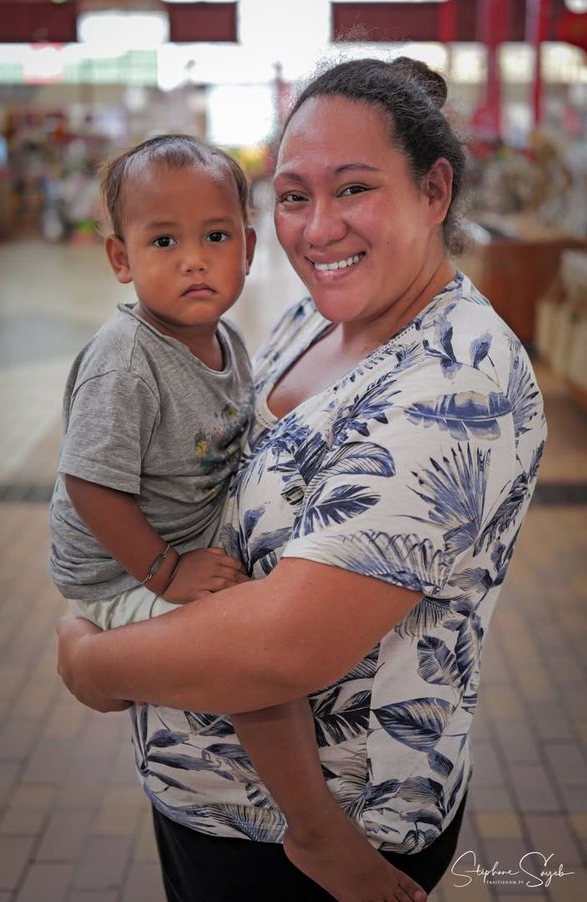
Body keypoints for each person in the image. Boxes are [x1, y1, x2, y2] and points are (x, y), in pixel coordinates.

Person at [56, 57, 547, 902]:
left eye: (353, 188)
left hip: (323, 833)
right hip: (207, 799)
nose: (318, 230)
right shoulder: (321, 317)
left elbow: (283, 648)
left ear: (435, 191)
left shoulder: (456, 387)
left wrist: (93, 663)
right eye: (292, 196)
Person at [50, 132, 426, 902]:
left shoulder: (224, 339)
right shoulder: (127, 358)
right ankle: (315, 832)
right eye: (164, 240)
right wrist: (167, 571)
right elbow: (90, 484)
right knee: (253, 666)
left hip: (179, 536)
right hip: (118, 563)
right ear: (121, 258)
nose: (194, 259)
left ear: (247, 248)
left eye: (215, 236)